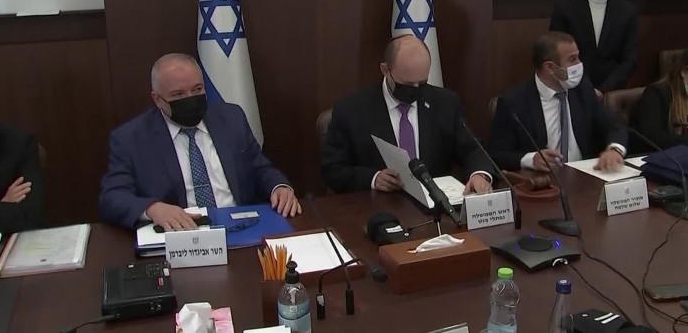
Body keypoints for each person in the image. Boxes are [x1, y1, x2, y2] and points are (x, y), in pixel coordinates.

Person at [99, 53, 300, 230]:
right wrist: (153, 209)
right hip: (182, 233)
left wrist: (279, 187)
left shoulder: (231, 118)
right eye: (178, 94)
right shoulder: (131, 138)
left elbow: (259, 168)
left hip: (239, 224)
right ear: (157, 99)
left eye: (197, 90)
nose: (190, 98)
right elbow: (112, 197)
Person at [321, 35, 492, 194]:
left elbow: (472, 149)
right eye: (408, 85)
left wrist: (479, 174)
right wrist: (373, 179)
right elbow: (332, 170)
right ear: (385, 70)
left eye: (422, 83)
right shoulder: (352, 111)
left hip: (435, 206)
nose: (416, 90)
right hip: (378, 206)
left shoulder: (445, 103)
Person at [489, 32, 627, 172]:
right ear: (550, 67)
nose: (579, 64)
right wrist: (531, 159)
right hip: (543, 179)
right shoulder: (513, 102)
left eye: (578, 57)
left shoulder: (582, 89)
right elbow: (497, 155)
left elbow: (614, 126)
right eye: (572, 59)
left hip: (585, 174)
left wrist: (614, 149)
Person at [549, 0, 637, 94]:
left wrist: (604, 90)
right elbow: (557, 54)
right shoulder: (565, 9)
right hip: (573, 91)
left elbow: (629, 60)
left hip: (612, 94)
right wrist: (587, 90)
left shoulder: (627, 12)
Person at [0, 121, 45, 233]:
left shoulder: (21, 144)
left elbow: (31, 215)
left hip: (10, 239)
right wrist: (4, 205)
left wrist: (0, 208)